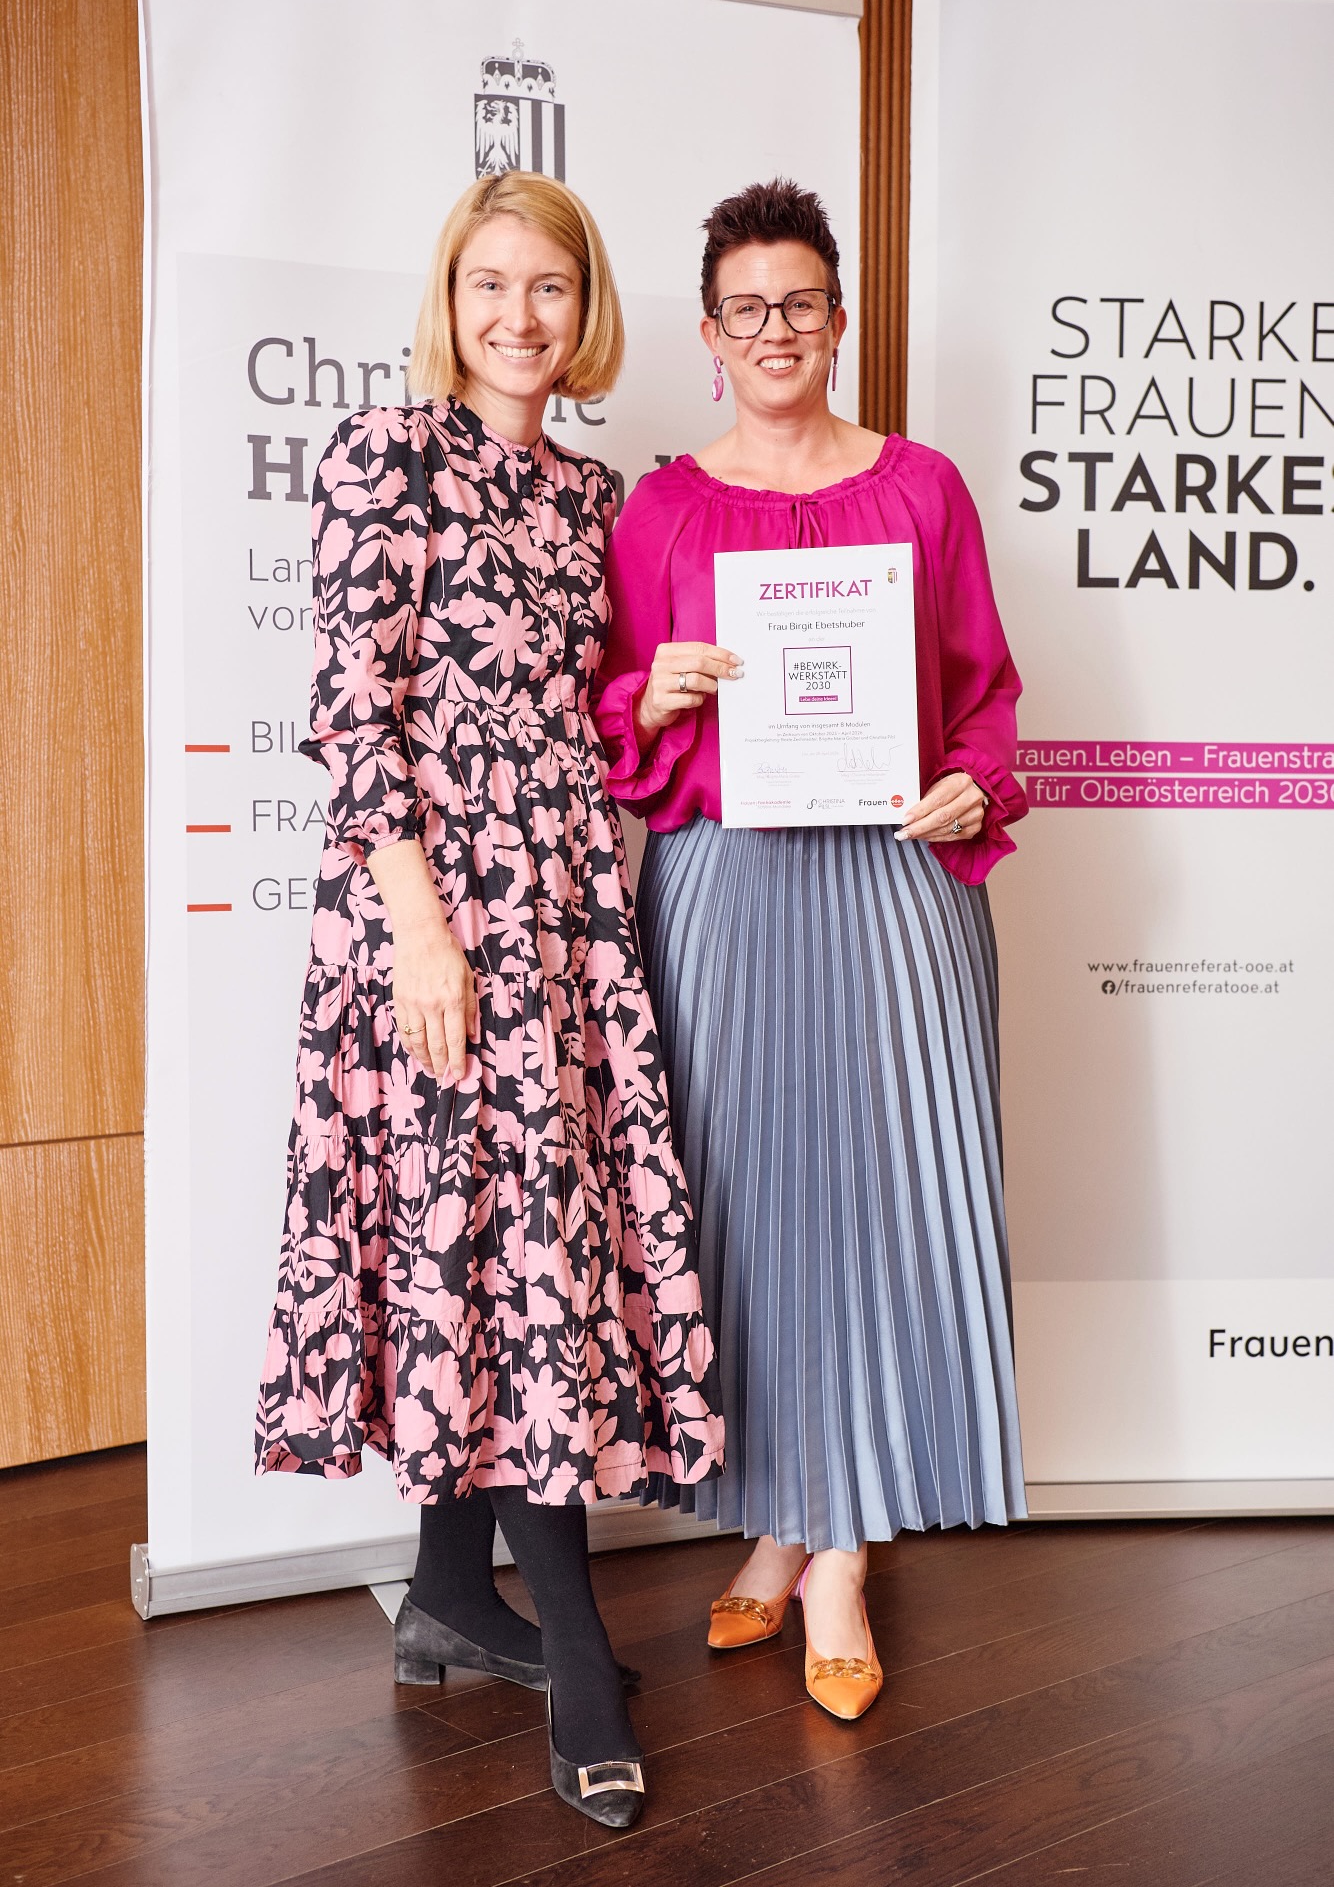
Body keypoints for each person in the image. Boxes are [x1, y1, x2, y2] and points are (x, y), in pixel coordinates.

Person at [254, 169, 723, 1827]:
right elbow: (352, 709)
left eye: (548, 286)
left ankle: (452, 1597)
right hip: (436, 914)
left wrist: (643, 700)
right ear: (448, 303)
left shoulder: (597, 499)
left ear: (584, 308)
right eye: (489, 284)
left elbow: (572, 720)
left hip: (568, 911)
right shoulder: (386, 453)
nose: (519, 316)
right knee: (513, 1260)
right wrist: (421, 932)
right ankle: (578, 1657)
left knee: (498, 1244)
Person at [594, 178, 1027, 1723]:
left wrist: (975, 780)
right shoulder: (658, 510)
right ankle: (779, 1517)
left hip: (897, 886)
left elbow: (982, 691)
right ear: (708, 336)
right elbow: (604, 702)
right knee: (746, 1207)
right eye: (745, 310)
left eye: (798, 304)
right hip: (725, 887)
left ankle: (838, 1554)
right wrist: (649, 698)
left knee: (889, 1199)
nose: (773, 331)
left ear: (838, 321)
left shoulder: (923, 488)